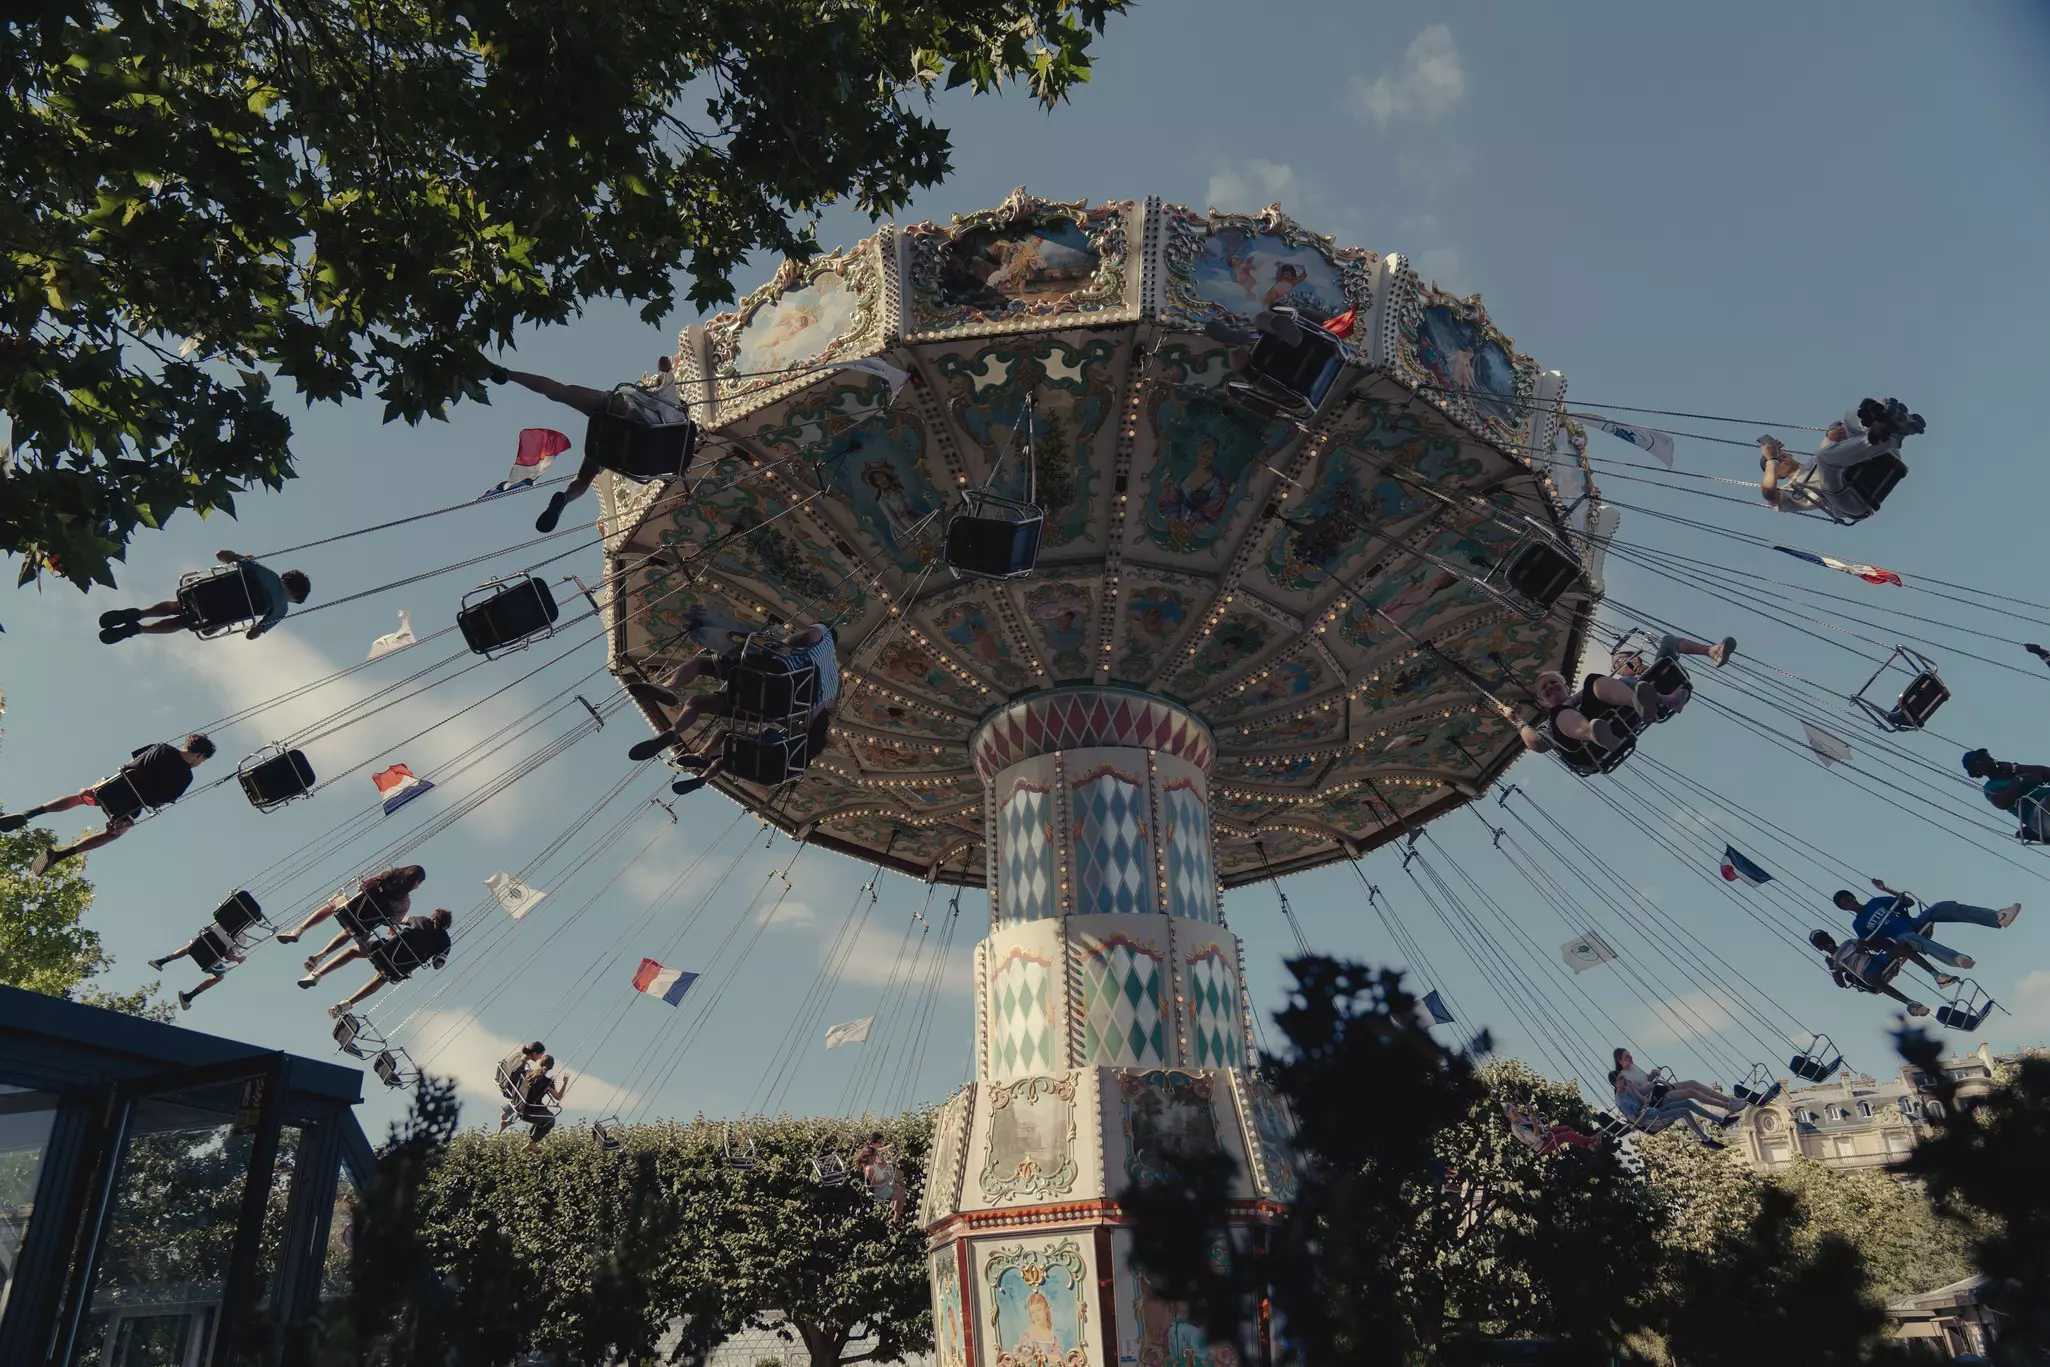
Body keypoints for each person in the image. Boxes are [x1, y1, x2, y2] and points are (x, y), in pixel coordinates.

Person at [490, 356, 691, 534]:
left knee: (560, 391)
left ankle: (509, 375)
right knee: (584, 479)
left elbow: (664, 362)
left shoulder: (668, 396)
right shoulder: (675, 416)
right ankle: (565, 498)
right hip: (625, 446)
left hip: (615, 412)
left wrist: (665, 370)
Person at [0, 732, 216, 874]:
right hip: (126, 808)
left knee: (81, 797)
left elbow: (133, 762)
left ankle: (30, 813)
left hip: (110, 788)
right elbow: (160, 802)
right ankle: (61, 854)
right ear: (201, 757)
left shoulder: (161, 747)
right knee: (114, 833)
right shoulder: (186, 776)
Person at [626, 622, 840, 765]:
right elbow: (808, 718)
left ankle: (669, 690)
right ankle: (701, 753)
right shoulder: (834, 685)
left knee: (699, 665)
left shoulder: (826, 635)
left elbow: (807, 637)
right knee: (703, 704)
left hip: (772, 673)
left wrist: (781, 643)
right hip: (773, 708)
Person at [1754, 398, 1920, 521]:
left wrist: (1832, 432)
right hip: (1850, 500)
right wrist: (1771, 459)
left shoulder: (1816, 459)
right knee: (1825, 457)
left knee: (1849, 416)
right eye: (1776, 462)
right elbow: (1768, 493)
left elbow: (1837, 429)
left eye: (1781, 453)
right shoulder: (1791, 491)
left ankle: (1891, 423)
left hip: (1880, 458)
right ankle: (1890, 435)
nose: (1780, 457)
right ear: (1778, 476)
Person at [98, 549, 310, 644]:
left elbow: (222, 555)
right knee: (184, 623)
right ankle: (140, 629)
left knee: (176, 604)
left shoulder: (265, 572)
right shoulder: (281, 609)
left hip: (202, 593)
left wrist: (239, 558)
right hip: (216, 616)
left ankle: (140, 613)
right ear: (296, 595)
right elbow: (254, 634)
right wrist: (252, 631)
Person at [1833, 879, 2018, 972]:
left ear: (1854, 897)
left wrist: (1885, 889)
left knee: (1940, 907)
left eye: (1849, 898)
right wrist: (1866, 945)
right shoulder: (1858, 924)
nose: (1850, 902)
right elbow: (1875, 944)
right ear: (1844, 909)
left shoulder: (1876, 902)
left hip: (1912, 923)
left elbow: (1908, 903)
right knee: (1909, 938)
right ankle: (1955, 959)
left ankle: (1996, 917)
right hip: (1901, 939)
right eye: (1845, 903)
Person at [301, 907, 453, 1017]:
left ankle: (319, 973)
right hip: (399, 968)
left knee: (353, 951)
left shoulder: (420, 920)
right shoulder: (445, 942)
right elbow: (437, 965)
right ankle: (347, 1003)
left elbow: (394, 921)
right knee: (381, 978)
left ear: (433, 916)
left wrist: (394, 927)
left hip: (384, 951)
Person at [664, 705, 836, 796]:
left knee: (724, 733)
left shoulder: (795, 739)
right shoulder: (807, 754)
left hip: (766, 755)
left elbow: (769, 740)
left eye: (803, 722)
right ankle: (702, 779)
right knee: (723, 761)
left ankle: (702, 755)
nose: (800, 723)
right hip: (768, 776)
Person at [277, 865, 426, 970]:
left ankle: (299, 930)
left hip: (350, 910)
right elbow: (393, 921)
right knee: (352, 930)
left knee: (333, 903)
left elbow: (362, 887)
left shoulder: (385, 877)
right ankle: (322, 954)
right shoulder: (404, 902)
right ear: (416, 883)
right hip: (362, 925)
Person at [1516, 670, 1662, 761]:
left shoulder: (1585, 699)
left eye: (1553, 682)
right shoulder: (1550, 724)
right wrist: (1517, 721)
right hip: (1588, 751)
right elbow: (1536, 744)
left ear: (1566, 687)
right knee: (1558, 712)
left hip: (1617, 726)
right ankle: (1594, 735)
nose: (1550, 686)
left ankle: (1638, 702)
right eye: (1544, 687)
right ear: (1543, 702)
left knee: (1592, 680)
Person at [1609, 633, 1737, 719]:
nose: (1623, 663)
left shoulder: (1658, 665)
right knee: (1622, 682)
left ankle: (1711, 651)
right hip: (1653, 698)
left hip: (1672, 678)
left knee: (1668, 640)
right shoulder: (1623, 682)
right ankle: (1663, 698)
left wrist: (1644, 670)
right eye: (1618, 664)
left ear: (1635, 658)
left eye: (1623, 659)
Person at [1809, 930, 1931, 1016]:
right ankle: (1910, 1002)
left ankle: (1935, 973)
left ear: (1830, 936)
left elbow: (1873, 946)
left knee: (1901, 948)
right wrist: (1832, 968)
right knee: (1871, 979)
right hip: (1867, 971)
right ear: (1820, 948)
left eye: (1826, 938)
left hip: (1876, 960)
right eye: (1822, 942)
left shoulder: (1848, 942)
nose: (1827, 942)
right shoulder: (1834, 961)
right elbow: (1841, 984)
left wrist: (1864, 945)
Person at [1612, 1047, 1753, 1117]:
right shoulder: (1625, 1077)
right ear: (1619, 1060)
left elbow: (1645, 1080)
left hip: (1660, 1088)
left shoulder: (1634, 1068)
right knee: (1690, 1092)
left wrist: (1652, 1075)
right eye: (1627, 1057)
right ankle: (1726, 1106)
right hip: (1655, 1098)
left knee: (1693, 1083)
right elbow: (1641, 1091)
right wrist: (1654, 1082)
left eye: (1630, 1055)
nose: (1631, 1058)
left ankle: (1730, 1101)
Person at [1611, 1069, 1727, 1149]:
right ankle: (1705, 1140)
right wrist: (1643, 1110)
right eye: (1621, 1079)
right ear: (1615, 1084)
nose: (1625, 1080)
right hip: (1651, 1121)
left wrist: (1653, 1087)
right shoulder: (1621, 1101)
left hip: (1654, 1111)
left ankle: (1720, 1121)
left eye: (1624, 1077)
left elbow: (1642, 1099)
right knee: (1684, 1112)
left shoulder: (1628, 1087)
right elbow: (1635, 1121)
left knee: (1687, 1103)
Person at [147, 925, 245, 1011]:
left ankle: (160, 962)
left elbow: (208, 929)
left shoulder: (223, 921)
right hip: (211, 958)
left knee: (190, 947)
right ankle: (188, 997)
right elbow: (228, 956)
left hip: (199, 946)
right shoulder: (242, 938)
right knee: (220, 976)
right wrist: (238, 959)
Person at [1962, 749, 2050, 842]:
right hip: (2040, 814)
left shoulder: (2013, 771)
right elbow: (2003, 802)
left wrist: (2015, 768)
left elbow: (2046, 773)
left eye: (1985, 754)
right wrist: (2019, 779)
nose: (1987, 758)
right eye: (1979, 759)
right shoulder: (1990, 787)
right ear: (1977, 770)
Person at [1502, 1101, 1600, 1158]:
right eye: (1513, 1112)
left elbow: (1536, 1121)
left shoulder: (1522, 1118)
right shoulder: (1517, 1128)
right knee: (1567, 1135)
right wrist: (1535, 1122)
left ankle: (1586, 1144)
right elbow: (1536, 1138)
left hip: (1546, 1133)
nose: (1516, 1113)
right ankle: (1590, 1140)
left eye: (1515, 1110)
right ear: (1508, 1116)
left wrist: (1532, 1113)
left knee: (1566, 1128)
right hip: (1543, 1144)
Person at [512, 1053, 568, 1145]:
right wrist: (565, 1083)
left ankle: (532, 1142)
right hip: (529, 1112)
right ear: (551, 1067)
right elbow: (558, 1097)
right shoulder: (547, 1082)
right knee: (550, 1119)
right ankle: (532, 1142)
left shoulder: (528, 1072)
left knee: (545, 1114)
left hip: (519, 1105)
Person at [497, 1041, 548, 1132]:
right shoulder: (519, 1068)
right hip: (510, 1087)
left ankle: (506, 1112)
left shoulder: (518, 1055)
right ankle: (507, 1122)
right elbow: (520, 1078)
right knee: (529, 1099)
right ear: (534, 1053)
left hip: (503, 1079)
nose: (540, 1058)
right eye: (541, 1055)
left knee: (525, 1094)